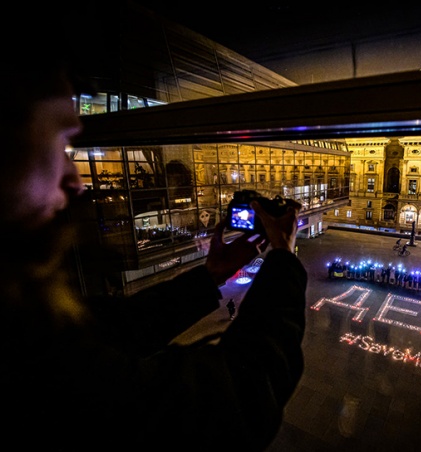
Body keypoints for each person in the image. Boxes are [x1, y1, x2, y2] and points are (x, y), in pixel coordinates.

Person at [0, 10, 307, 451]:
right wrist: (283, 257)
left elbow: (109, 327)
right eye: (57, 144)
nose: (77, 181)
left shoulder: (23, 315)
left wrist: (209, 276)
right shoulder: (30, 356)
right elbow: (236, 398)